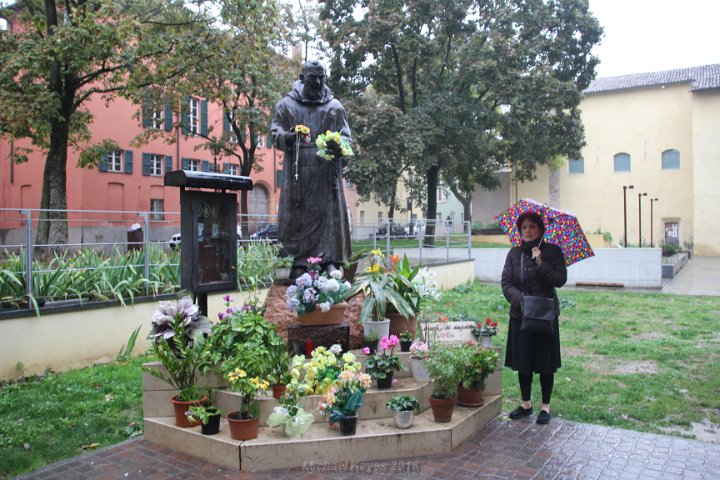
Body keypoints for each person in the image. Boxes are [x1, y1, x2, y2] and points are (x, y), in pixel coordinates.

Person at [270, 60, 352, 278]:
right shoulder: (286, 105)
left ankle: (329, 261)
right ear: (302, 77)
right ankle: (299, 263)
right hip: (298, 175)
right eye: (312, 77)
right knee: (297, 217)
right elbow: (275, 133)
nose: (317, 82)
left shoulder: (334, 107)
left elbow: (347, 138)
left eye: (321, 77)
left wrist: (338, 145)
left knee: (328, 216)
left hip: (326, 175)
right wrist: (289, 136)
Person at [501, 211, 567, 424]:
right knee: (524, 360)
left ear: (540, 229)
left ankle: (545, 407)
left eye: (532, 227)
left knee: (546, 362)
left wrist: (541, 263)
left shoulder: (553, 251)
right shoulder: (514, 254)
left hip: (545, 316)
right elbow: (506, 283)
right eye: (524, 228)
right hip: (521, 315)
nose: (527, 231)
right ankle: (526, 404)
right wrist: (521, 300)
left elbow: (560, 279)